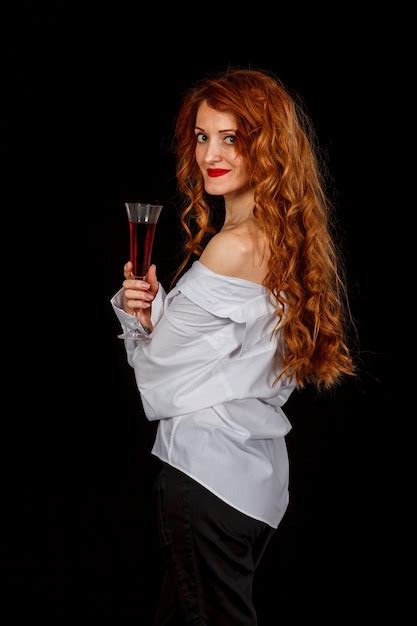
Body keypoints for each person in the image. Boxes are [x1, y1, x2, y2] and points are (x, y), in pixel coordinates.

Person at [111, 68, 355, 625]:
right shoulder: (284, 237)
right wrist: (157, 315)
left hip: (207, 477)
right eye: (202, 136)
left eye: (232, 137)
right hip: (255, 484)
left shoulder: (232, 248)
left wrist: (137, 318)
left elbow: (156, 380)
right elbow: (229, 361)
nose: (210, 154)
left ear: (266, 147)